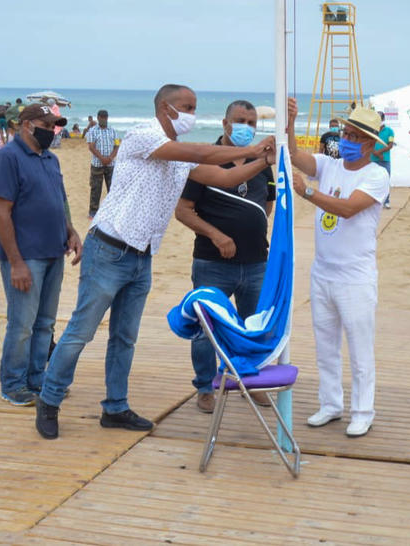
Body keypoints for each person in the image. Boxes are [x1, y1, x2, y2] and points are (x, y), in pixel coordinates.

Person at [34, 84, 275, 440]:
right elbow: (197, 152)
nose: (192, 113)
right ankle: (49, 399)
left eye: (194, 106)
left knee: (125, 337)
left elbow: (223, 177)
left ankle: (115, 407)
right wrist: (253, 148)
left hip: (142, 254)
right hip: (109, 248)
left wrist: (261, 161)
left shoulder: (184, 154)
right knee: (81, 331)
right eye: (186, 106)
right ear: (166, 107)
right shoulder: (142, 135)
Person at [287, 97, 391, 438]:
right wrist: (290, 123)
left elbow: (348, 209)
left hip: (355, 277)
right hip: (323, 273)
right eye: (344, 132)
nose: (344, 139)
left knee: (360, 348)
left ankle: (363, 411)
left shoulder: (376, 176)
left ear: (368, 144)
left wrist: (309, 194)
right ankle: (330, 404)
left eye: (352, 135)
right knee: (325, 344)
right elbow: (296, 157)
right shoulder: (329, 165)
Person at [175, 99, 276, 413]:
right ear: (224, 123)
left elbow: (268, 203)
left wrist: (252, 226)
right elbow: (182, 211)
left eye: (251, 122)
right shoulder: (205, 162)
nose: (245, 127)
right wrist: (217, 234)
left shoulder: (263, 163)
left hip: (256, 262)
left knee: (253, 326)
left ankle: (250, 382)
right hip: (213, 262)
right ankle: (205, 387)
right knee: (207, 329)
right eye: (239, 120)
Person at [0, 104, 82, 406]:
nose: (53, 131)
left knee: (45, 322)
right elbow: (1, 213)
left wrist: (71, 231)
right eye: (48, 124)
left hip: (54, 252)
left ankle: (36, 377)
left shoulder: (50, 160)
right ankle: (13, 383)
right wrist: (16, 262)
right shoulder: (7, 158)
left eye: (56, 125)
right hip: (25, 256)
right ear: (27, 125)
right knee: (22, 323)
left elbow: (60, 200)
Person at [85, 109, 119, 219]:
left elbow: (116, 146)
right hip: (97, 165)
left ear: (107, 118)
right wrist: (101, 158)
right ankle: (93, 212)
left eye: (105, 117)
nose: (104, 119)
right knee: (96, 188)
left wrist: (110, 158)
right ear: (98, 117)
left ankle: (112, 211)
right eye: (102, 117)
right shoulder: (93, 131)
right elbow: (91, 147)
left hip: (110, 165)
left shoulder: (113, 131)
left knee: (112, 188)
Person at [371, 112, 395, 208]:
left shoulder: (389, 131)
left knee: (385, 180)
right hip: (372, 159)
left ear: (383, 119)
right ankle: (372, 201)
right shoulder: (372, 131)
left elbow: (390, 145)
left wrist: (379, 152)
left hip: (385, 160)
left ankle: (386, 201)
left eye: (379, 119)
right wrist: (375, 153)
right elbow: (368, 143)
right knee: (372, 180)